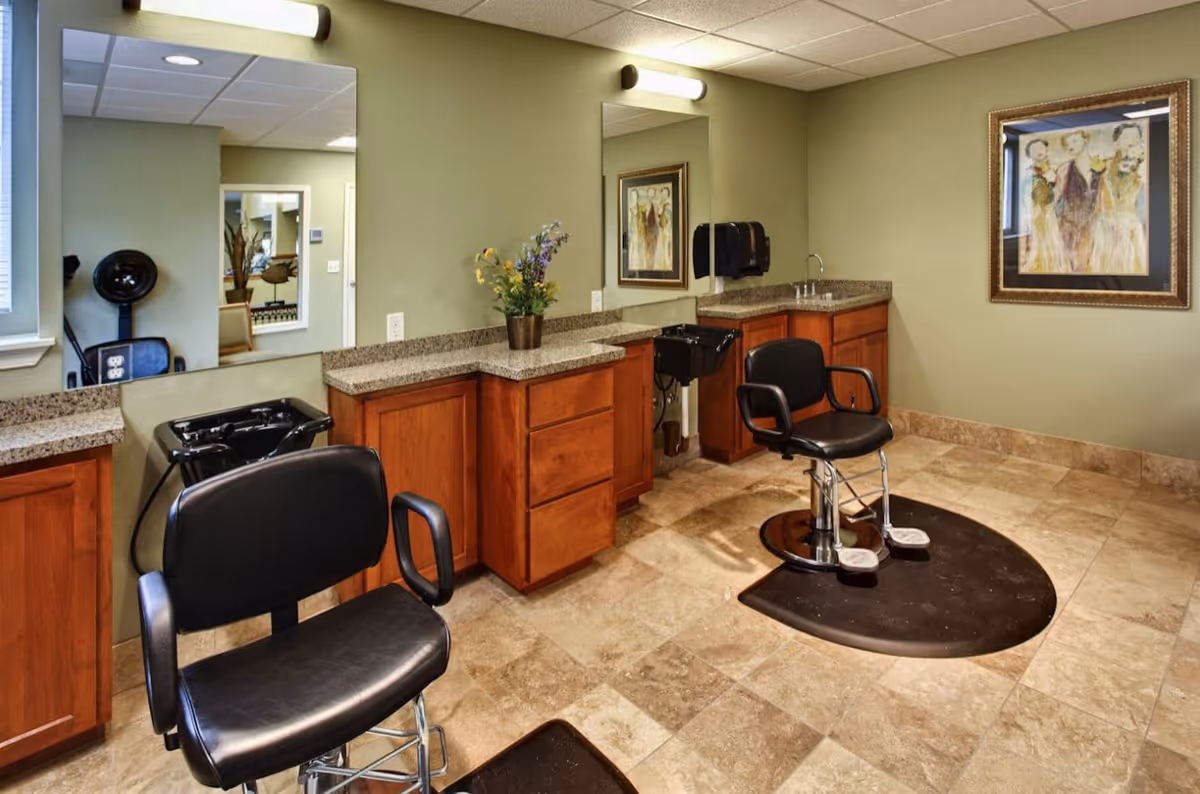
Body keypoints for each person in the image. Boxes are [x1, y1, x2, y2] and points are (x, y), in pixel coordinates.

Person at [1020, 138, 1067, 274]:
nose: (1038, 151)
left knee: (1053, 238)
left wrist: (1053, 183)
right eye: (1034, 150)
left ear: (1046, 150)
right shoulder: (1029, 174)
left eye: (1041, 148)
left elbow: (1061, 192)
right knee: (1038, 240)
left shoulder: (1055, 170)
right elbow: (1025, 195)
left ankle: (1054, 267)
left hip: (1050, 211)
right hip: (1036, 212)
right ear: (1029, 154)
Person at [1055, 129, 1099, 272]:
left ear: (1085, 140)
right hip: (1069, 226)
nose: (1070, 146)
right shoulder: (1064, 170)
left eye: (1074, 141)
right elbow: (1056, 200)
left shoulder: (1099, 167)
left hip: (1093, 226)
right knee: (1072, 267)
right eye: (1067, 144)